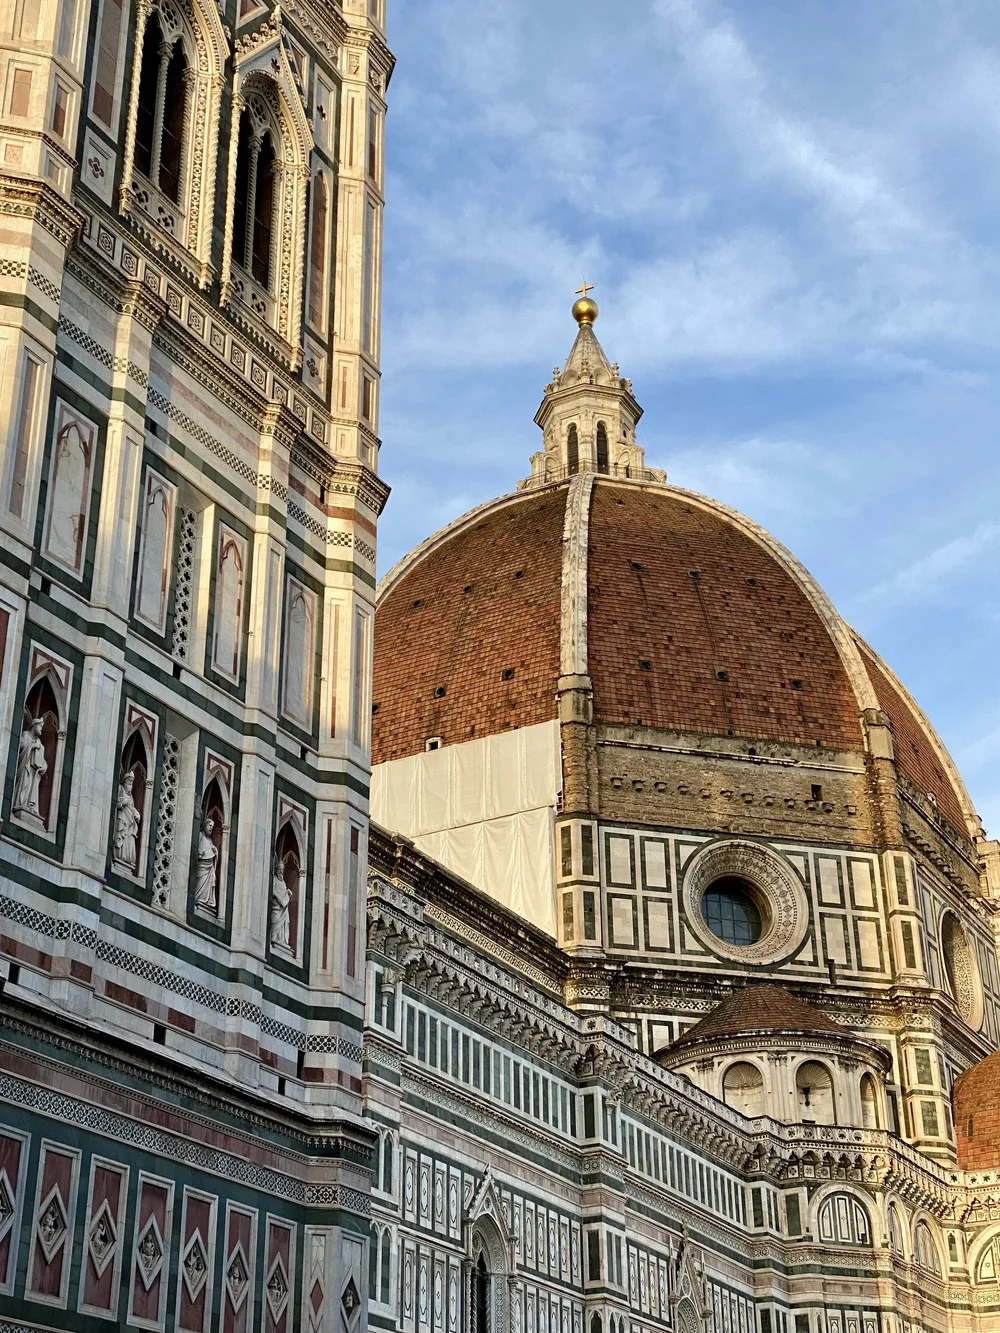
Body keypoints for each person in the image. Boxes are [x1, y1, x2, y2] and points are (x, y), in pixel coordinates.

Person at [13, 716, 47, 821]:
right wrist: (33, 746)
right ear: (34, 726)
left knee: (33, 789)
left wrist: (43, 767)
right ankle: (20, 804)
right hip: (26, 767)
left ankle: (31, 807)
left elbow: (42, 759)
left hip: (35, 771)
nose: (41, 730)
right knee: (25, 785)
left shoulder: (39, 742)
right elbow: (22, 745)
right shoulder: (26, 735)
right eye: (40, 727)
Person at [113, 770, 140, 870]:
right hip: (122, 819)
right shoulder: (120, 789)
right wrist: (122, 803)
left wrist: (137, 814)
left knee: (129, 838)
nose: (130, 785)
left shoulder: (131, 796)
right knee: (120, 836)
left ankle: (127, 860)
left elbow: (131, 808)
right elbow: (117, 802)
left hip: (130, 823)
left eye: (131, 783)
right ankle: (118, 857)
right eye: (129, 782)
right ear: (124, 782)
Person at [194, 816, 219, 912]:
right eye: (209, 826)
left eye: (212, 827)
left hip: (208, 868)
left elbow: (212, 853)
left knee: (207, 885)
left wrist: (215, 852)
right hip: (202, 867)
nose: (210, 828)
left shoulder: (210, 840)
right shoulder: (200, 836)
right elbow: (198, 852)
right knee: (200, 883)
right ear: (204, 826)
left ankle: (205, 901)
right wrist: (200, 855)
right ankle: (198, 899)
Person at [269, 856, 292, 951]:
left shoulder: (283, 882)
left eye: (282, 870)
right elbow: (273, 890)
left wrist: (288, 893)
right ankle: (274, 939)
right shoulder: (274, 879)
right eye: (279, 870)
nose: (281, 872)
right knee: (275, 922)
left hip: (283, 908)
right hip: (276, 906)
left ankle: (282, 941)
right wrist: (279, 899)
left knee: (285, 923)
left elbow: (284, 891)